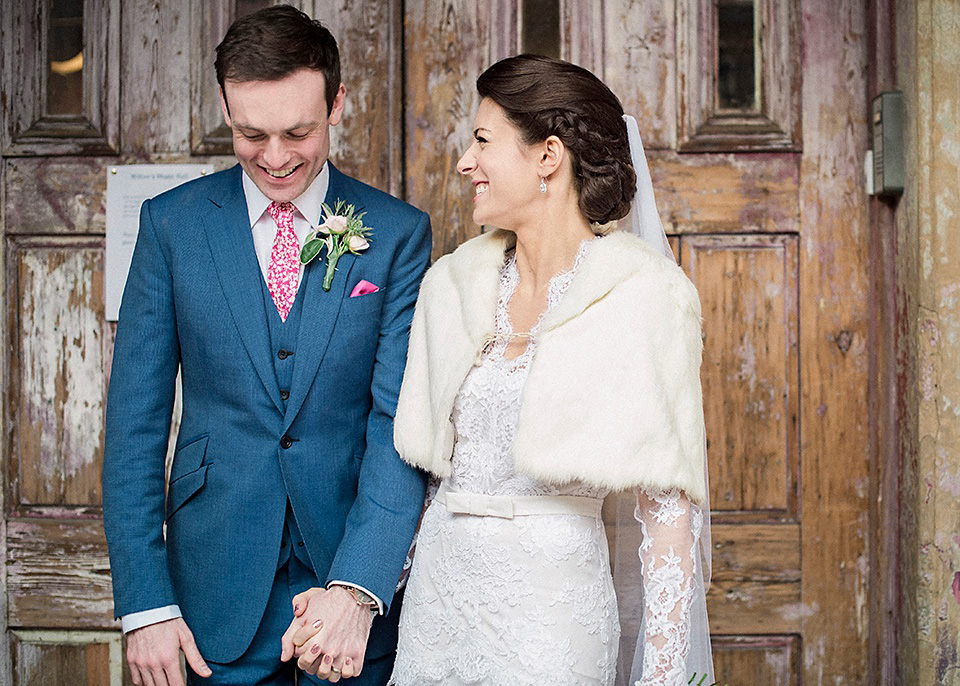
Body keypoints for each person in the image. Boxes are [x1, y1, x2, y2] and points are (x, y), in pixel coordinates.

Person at [102, 5, 430, 686]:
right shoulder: (172, 226)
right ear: (224, 106)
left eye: (298, 132)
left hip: (346, 597)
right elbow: (134, 422)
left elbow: (398, 425)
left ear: (337, 104)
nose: (275, 158)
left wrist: (360, 586)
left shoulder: (398, 235)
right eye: (251, 134)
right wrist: (144, 604)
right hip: (207, 596)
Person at [390, 55, 713, 685]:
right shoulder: (448, 286)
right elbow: (424, 482)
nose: (464, 162)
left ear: (548, 156)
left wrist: (664, 675)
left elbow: (668, 508)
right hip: (438, 605)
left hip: (551, 612)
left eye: (483, 141)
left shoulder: (643, 294)